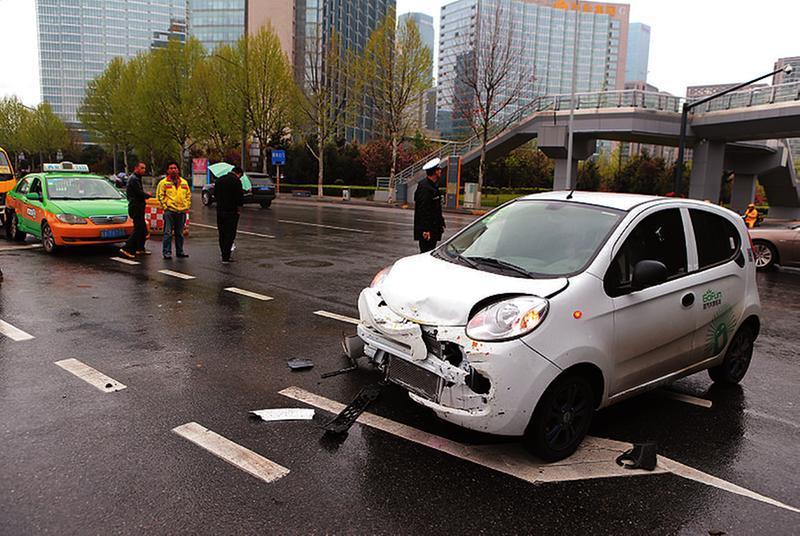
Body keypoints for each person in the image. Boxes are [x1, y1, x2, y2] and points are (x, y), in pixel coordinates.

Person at [156, 161, 191, 259]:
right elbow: (160, 196)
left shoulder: (184, 182)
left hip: (181, 211)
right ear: (168, 170)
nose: (173, 170)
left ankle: (180, 251)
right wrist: (165, 207)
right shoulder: (163, 183)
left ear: (178, 170)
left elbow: (188, 195)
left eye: (175, 168)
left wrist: (187, 205)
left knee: (179, 233)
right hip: (170, 211)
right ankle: (167, 252)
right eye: (171, 168)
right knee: (168, 233)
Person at [119, 162, 151, 259]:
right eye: (142, 168)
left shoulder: (136, 178)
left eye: (144, 168)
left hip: (138, 206)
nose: (144, 170)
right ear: (136, 168)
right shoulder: (134, 179)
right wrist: (147, 195)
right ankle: (127, 248)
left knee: (143, 229)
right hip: (136, 207)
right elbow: (139, 193)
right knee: (139, 229)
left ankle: (140, 248)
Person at [414, 157, 446, 253]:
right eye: (439, 169)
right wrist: (425, 230)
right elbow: (423, 210)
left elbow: (435, 208)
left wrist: (441, 222)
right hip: (428, 230)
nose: (440, 171)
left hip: (433, 228)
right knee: (426, 253)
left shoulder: (432, 185)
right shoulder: (425, 188)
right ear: (435, 171)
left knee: (429, 251)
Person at [215, 165, 245, 263]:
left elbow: (215, 194)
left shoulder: (219, 180)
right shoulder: (237, 182)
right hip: (231, 211)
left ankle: (223, 253)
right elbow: (240, 199)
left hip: (220, 210)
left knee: (222, 233)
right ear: (239, 174)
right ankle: (226, 256)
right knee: (230, 234)